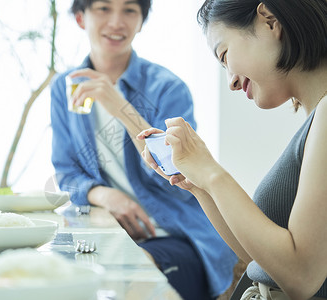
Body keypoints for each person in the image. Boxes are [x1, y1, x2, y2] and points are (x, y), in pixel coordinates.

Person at [138, 0, 327, 299]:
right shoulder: (315, 119)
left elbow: (302, 277)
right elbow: (261, 261)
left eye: (225, 55)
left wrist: (212, 173)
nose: (232, 83)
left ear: (269, 21)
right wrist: (199, 185)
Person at [50, 0, 238, 299]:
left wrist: (121, 108)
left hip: (172, 233)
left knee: (129, 284)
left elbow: (180, 176)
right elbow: (67, 171)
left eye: (129, 10)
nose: (116, 22)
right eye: (103, 8)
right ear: (80, 18)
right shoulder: (66, 87)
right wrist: (106, 195)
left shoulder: (167, 88)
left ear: (141, 22)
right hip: (106, 232)